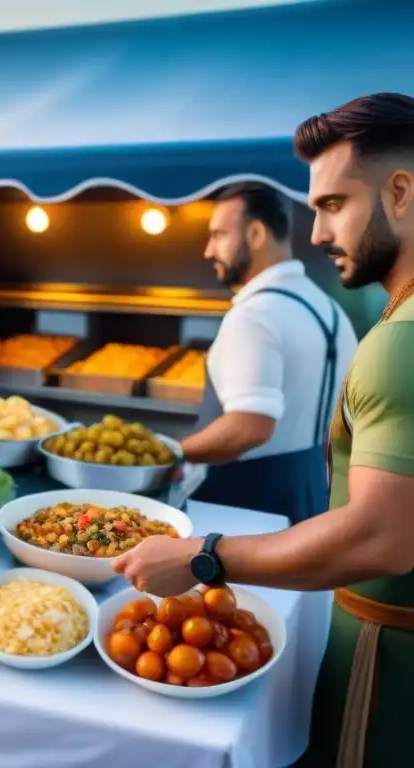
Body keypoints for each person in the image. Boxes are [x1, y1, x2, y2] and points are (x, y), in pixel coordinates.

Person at [111, 93, 414, 768]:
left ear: (400, 192)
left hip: (383, 646)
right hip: (311, 521)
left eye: (334, 204)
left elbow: (382, 537)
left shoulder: (399, 338)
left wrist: (202, 553)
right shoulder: (350, 314)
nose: (317, 233)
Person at [185, 182, 357, 523]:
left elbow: (250, 427)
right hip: (315, 494)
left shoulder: (253, 315)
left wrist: (171, 452)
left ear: (256, 233)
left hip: (245, 505)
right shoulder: (330, 311)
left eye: (218, 235)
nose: (208, 250)